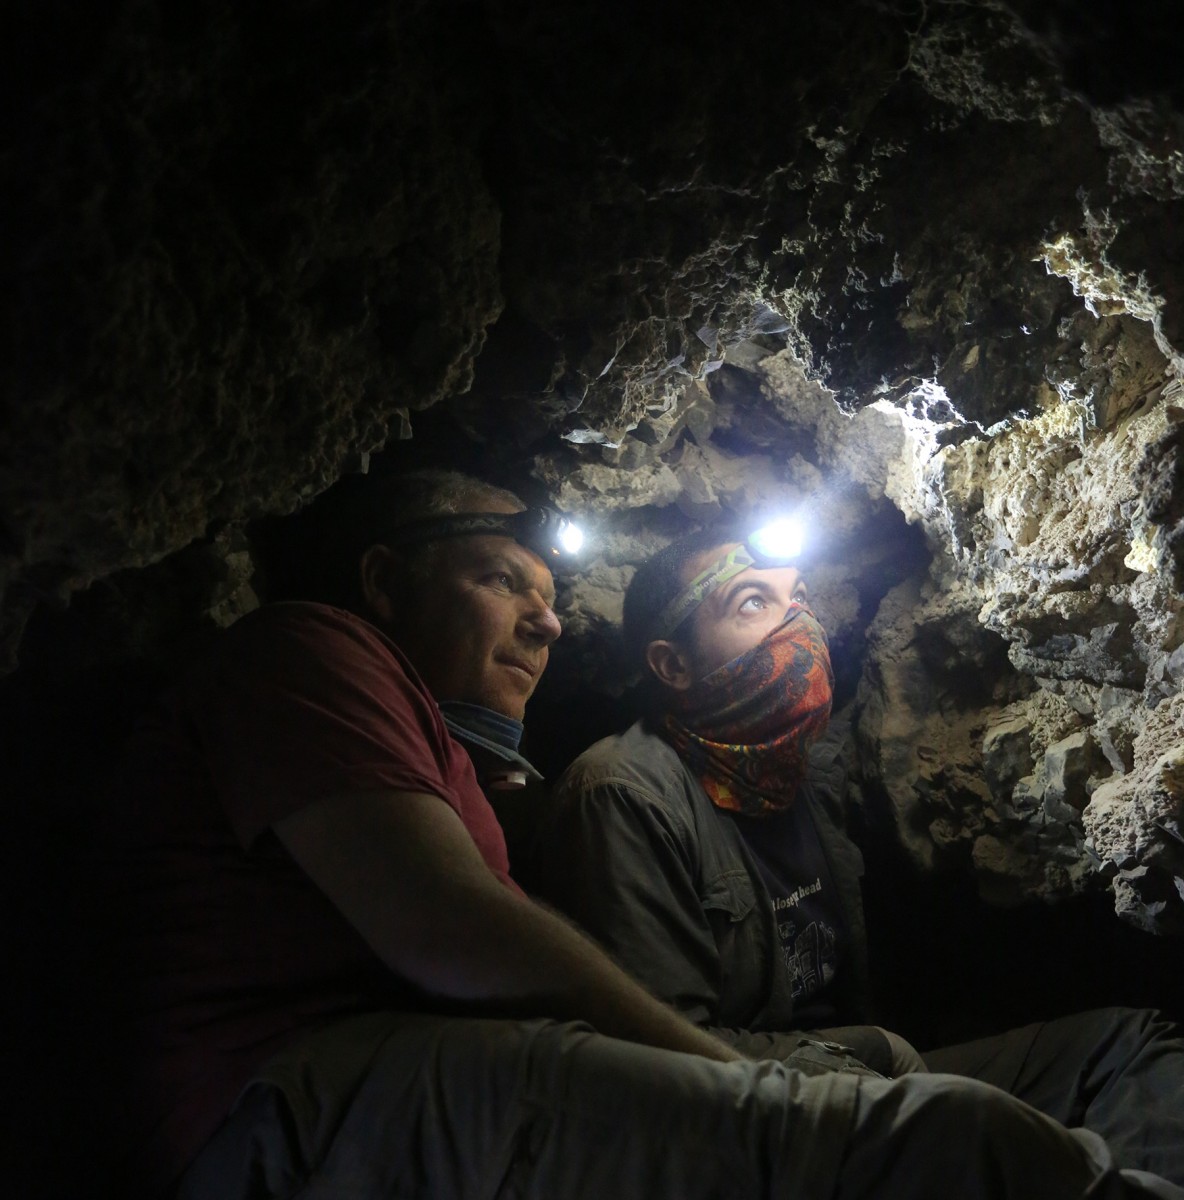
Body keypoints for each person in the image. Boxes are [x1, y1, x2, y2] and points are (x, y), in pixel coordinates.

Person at [93, 473, 1184, 1200]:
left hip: (374, 1091)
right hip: (287, 1104)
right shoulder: (316, 652)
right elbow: (450, 933)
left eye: (552, 595)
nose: (548, 618)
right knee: (956, 1144)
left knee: (1112, 1054)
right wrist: (743, 1082)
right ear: (384, 580)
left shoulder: (801, 800)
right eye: (502, 580)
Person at [532, 524, 1184, 1186]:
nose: (797, 623)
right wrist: (868, 1051)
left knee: (1123, 1046)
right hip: (747, 1125)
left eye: (800, 598)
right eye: (754, 602)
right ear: (672, 665)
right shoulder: (623, 795)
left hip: (857, 1074)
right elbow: (661, 1060)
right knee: (979, 1133)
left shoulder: (803, 777)